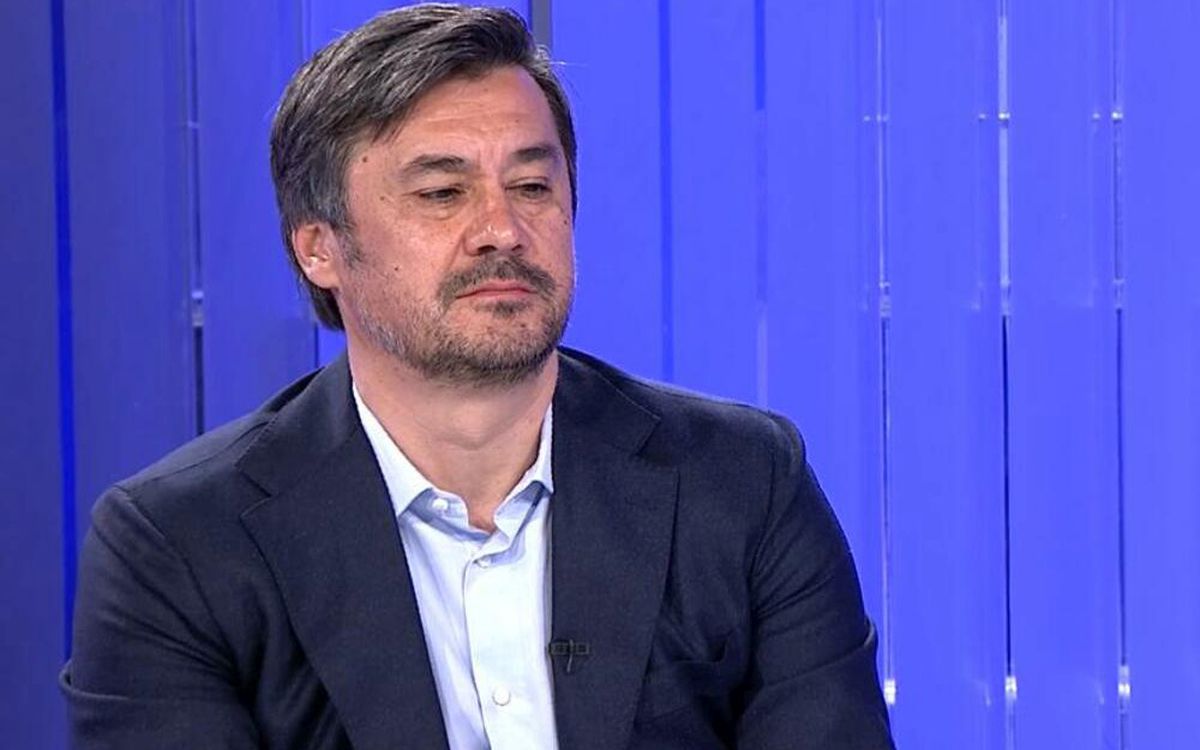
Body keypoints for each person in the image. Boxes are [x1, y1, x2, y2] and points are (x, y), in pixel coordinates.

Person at [60, 4, 894, 748]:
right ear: (319, 248)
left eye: (531, 185)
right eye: (441, 193)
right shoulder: (180, 548)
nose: (502, 228)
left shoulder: (743, 483)